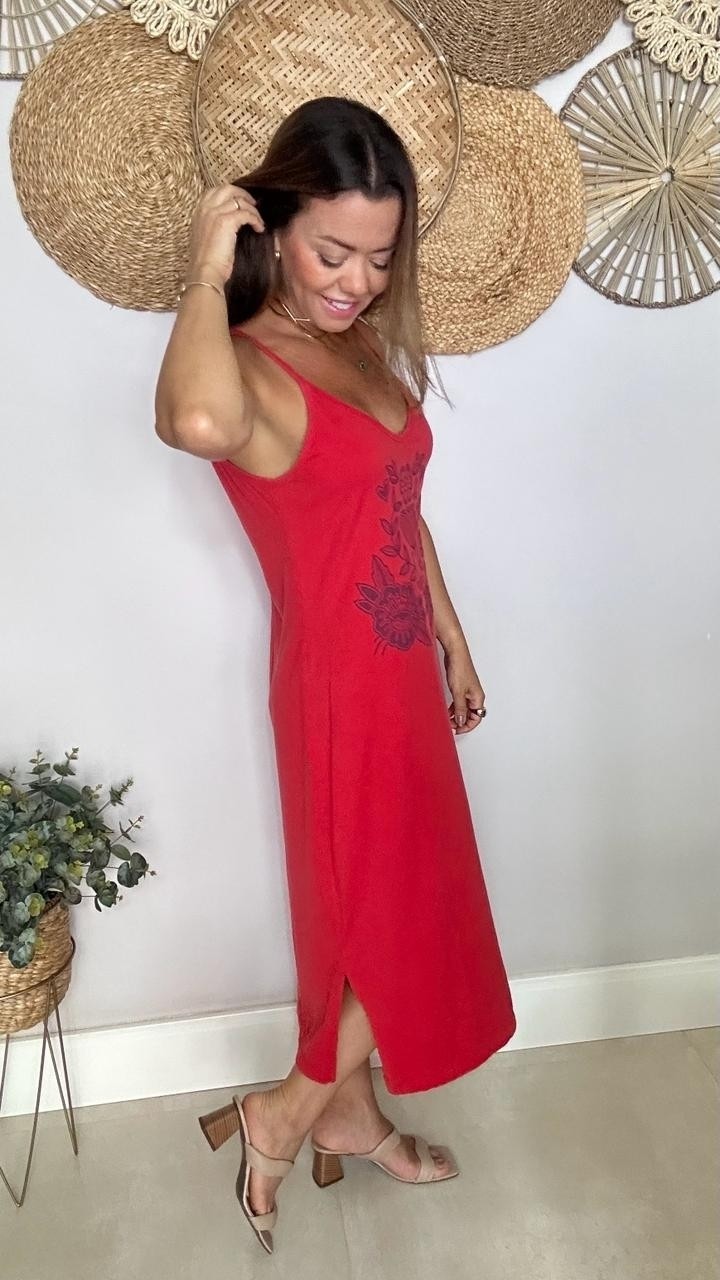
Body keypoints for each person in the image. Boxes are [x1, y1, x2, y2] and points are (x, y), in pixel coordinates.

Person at [154, 96, 516, 1254]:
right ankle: (287, 1109)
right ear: (271, 226)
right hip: (338, 692)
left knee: (379, 913)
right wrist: (206, 268)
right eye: (332, 251)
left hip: (400, 672)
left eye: (380, 255)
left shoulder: (350, 341)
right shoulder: (249, 365)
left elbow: (394, 500)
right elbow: (192, 417)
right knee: (392, 916)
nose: (358, 280)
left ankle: (348, 1113)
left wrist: (451, 630)